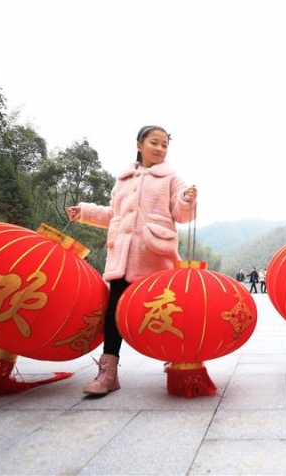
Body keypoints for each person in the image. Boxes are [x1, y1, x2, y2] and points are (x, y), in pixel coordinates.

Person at [66, 125, 197, 396]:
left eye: (164, 145)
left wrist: (186, 199)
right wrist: (86, 212)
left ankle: (181, 363)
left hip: (156, 257)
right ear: (139, 144)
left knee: (167, 313)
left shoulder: (171, 178)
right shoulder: (124, 179)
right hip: (122, 259)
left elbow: (182, 215)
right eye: (154, 143)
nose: (160, 148)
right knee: (114, 315)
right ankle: (108, 373)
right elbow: (114, 214)